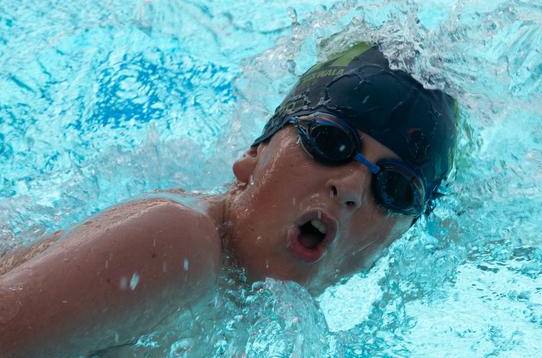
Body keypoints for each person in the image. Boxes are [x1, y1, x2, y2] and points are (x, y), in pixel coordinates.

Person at [0, 42, 458, 357]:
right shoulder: (177, 244)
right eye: (329, 141)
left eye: (394, 189)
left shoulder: (260, 309)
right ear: (253, 156)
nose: (352, 189)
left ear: (389, 245)